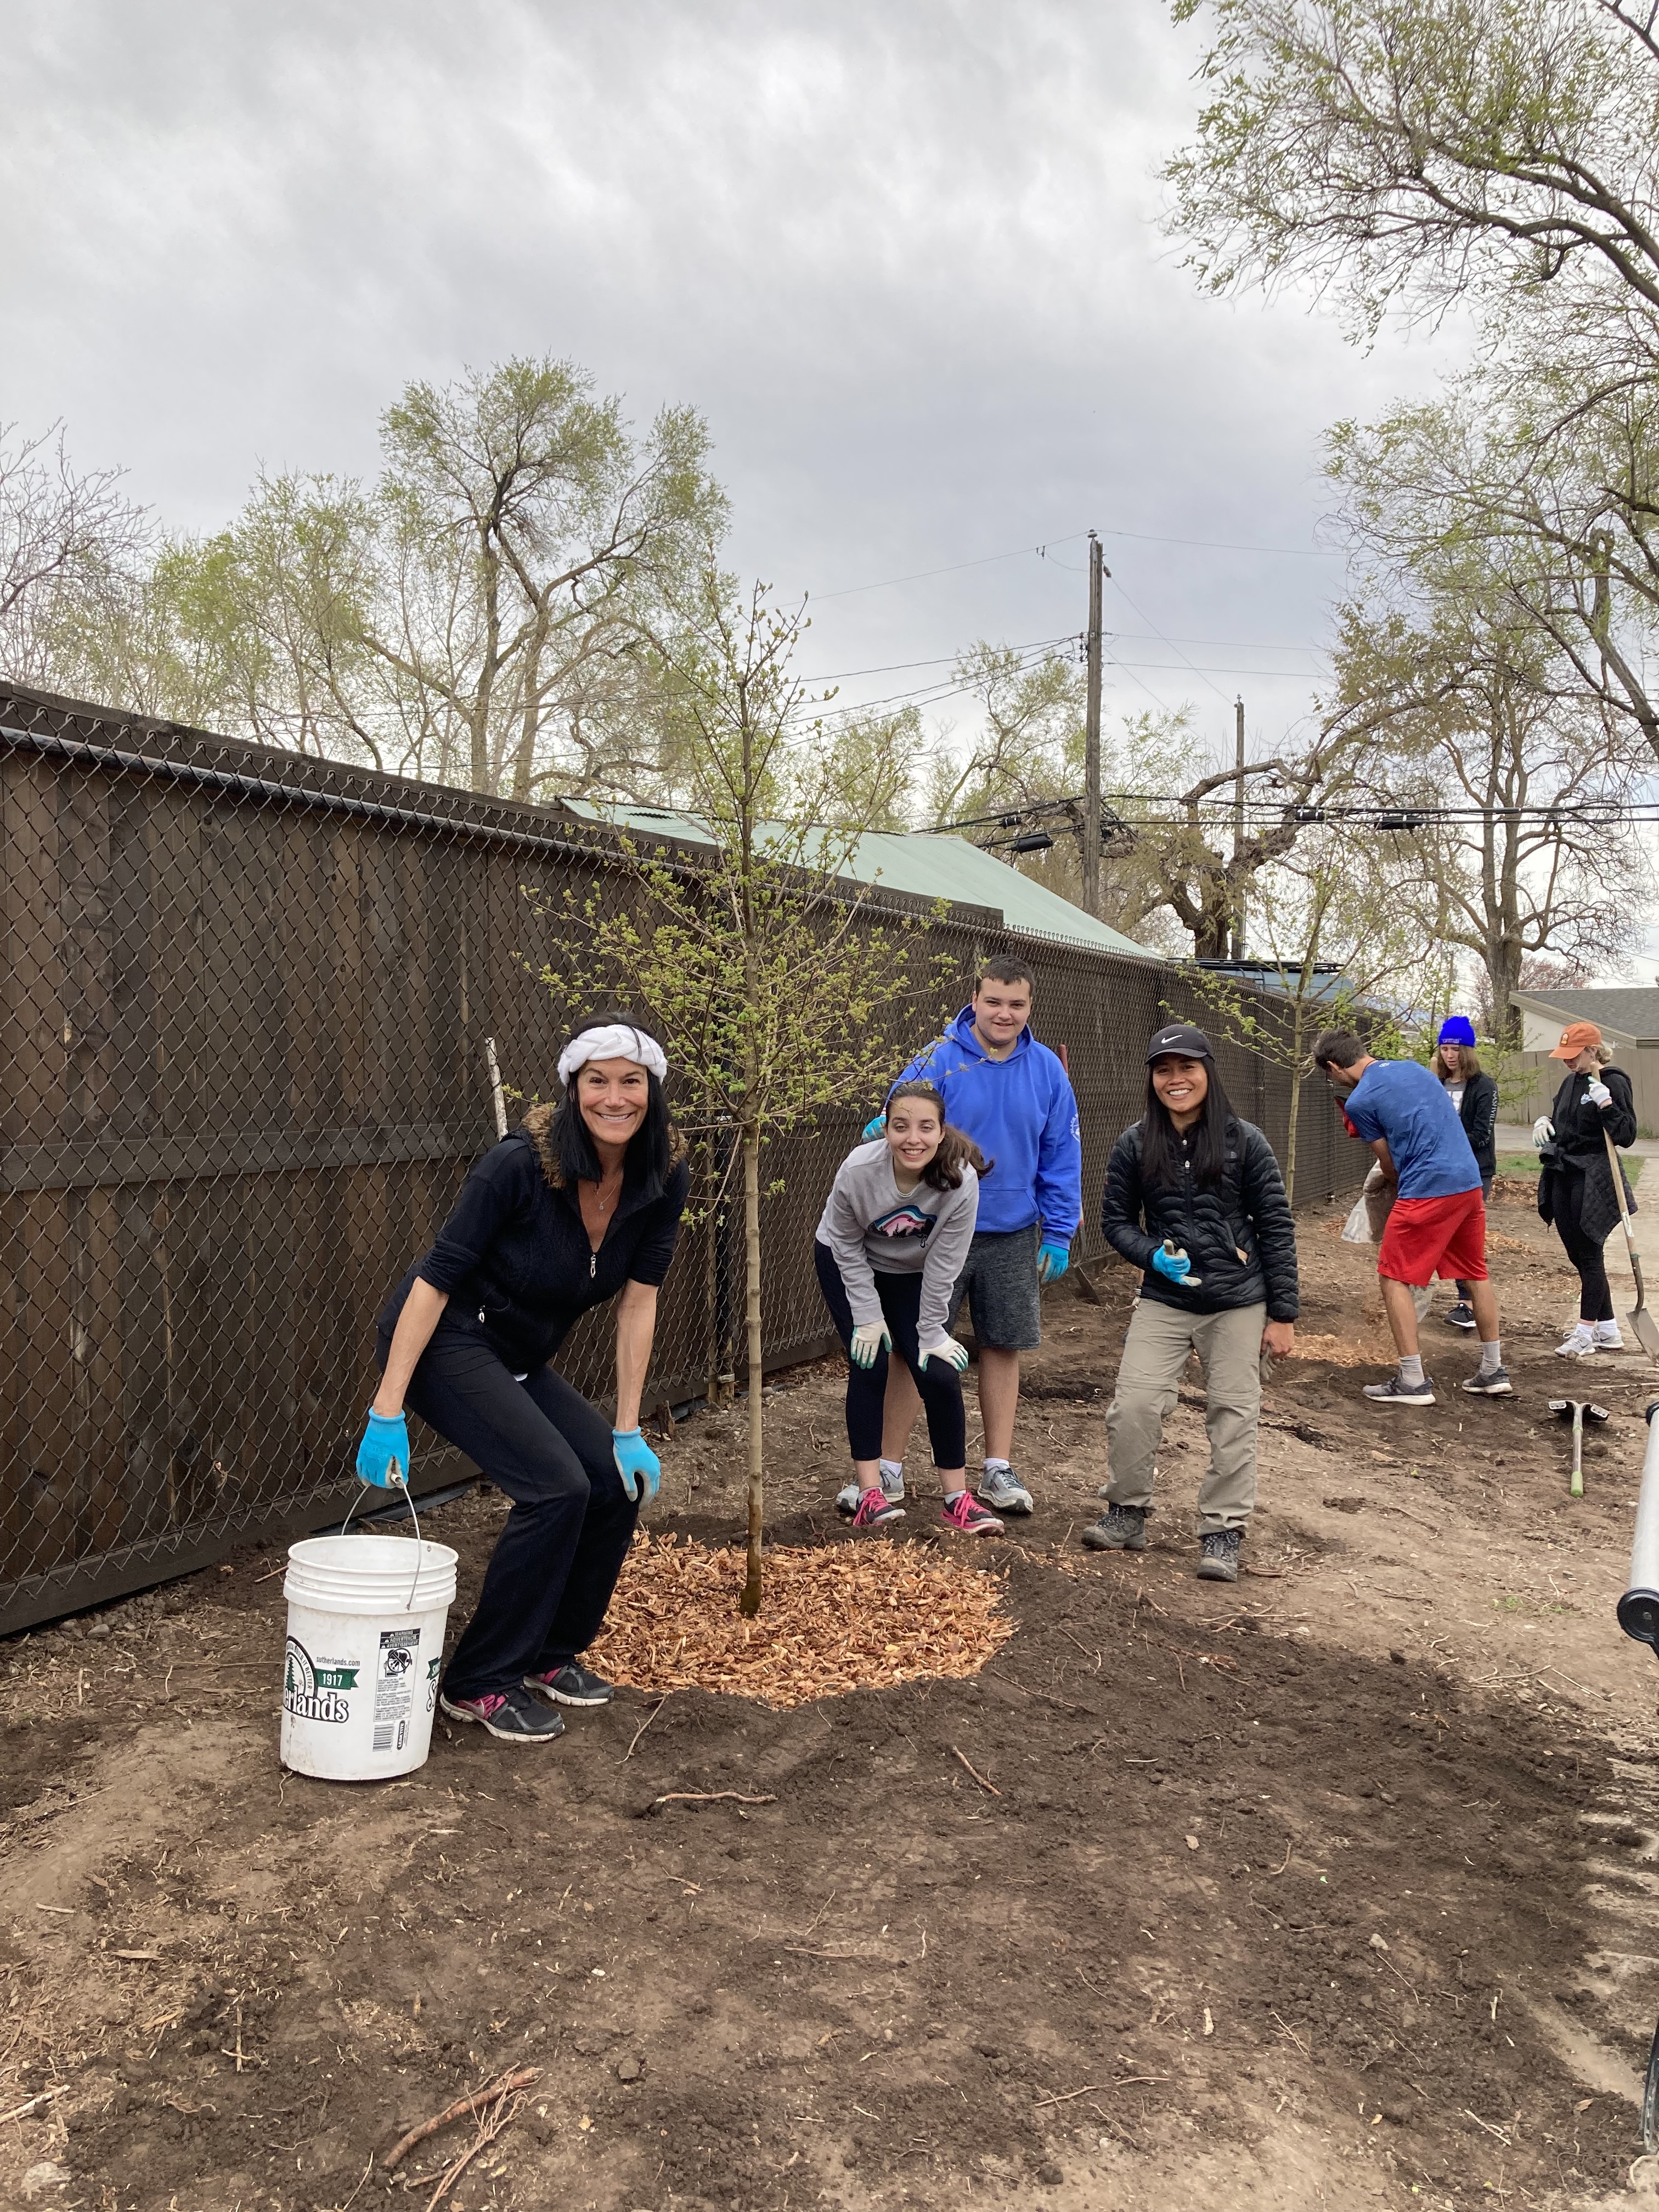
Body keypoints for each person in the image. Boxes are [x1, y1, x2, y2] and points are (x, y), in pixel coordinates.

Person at [357, 1016, 690, 1744]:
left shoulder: (663, 1177)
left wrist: (627, 1429)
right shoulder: (517, 1166)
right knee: (555, 1487)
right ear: (573, 1091)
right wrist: (389, 1407)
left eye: (630, 1081)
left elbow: (639, 1299)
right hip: (445, 1337)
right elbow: (435, 1279)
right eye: (596, 1081)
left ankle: (548, 1655)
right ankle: (478, 1682)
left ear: (652, 1092)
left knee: (609, 1480)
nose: (614, 1097)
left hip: (515, 1350)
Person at [849, 956, 1082, 1520]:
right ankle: (890, 1468)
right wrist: (884, 1127)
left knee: (1002, 1345)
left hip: (1011, 1232)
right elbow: (897, 1123)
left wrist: (1059, 1228)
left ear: (1030, 1007)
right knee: (913, 1349)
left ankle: (997, 1469)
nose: (1004, 1013)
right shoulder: (938, 1059)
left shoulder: (1048, 1070)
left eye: (1017, 1004)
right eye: (994, 1001)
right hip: (934, 1229)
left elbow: (1061, 1154)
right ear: (975, 999)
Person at [1083, 1023, 1298, 1583]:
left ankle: (1223, 1533)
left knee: (1233, 1415)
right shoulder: (1135, 1143)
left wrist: (1283, 1315)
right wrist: (1152, 1255)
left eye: (1187, 1068)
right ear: (1152, 1078)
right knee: (1135, 1405)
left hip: (1238, 1299)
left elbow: (1276, 1226)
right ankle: (1127, 1512)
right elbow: (1114, 1223)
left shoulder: (1244, 1140)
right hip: (1165, 1297)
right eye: (1164, 1069)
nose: (1176, 1079)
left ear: (1208, 1071)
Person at [814, 1082, 1003, 1536]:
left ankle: (958, 1498)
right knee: (870, 1361)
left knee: (937, 1371)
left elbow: (946, 1261)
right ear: (886, 1128)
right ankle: (870, 1494)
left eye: (925, 1127)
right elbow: (844, 1241)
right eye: (901, 1127)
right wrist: (867, 1315)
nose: (912, 1138)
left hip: (914, 1273)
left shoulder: (960, 1179)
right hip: (846, 1261)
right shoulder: (859, 1170)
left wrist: (933, 1330)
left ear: (941, 1132)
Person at [1311, 1028, 1509, 1405]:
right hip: (1468, 1183)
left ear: (1335, 1066)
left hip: (1427, 1189)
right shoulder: (1417, 1070)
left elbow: (1388, 1163)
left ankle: (1413, 1380)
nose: (1331, 1080)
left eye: (1328, 1074)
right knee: (1475, 1272)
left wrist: (1388, 1187)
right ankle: (1492, 1370)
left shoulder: (1360, 1100)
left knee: (1393, 1275)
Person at [1535, 1020, 1639, 1357]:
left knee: (1590, 1252)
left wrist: (1608, 1106)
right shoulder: (1570, 1082)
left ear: (1592, 1050)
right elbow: (1562, 1119)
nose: (1566, 1060)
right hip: (1564, 1171)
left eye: (1573, 1054)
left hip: (1594, 1175)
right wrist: (1546, 1123)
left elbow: (1626, 1136)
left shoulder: (1612, 1081)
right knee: (1577, 1254)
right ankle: (1608, 1329)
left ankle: (1585, 1333)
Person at [1430, 1016, 1498, 1334]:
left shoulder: (1484, 1086)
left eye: (1455, 1048)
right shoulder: (1436, 1083)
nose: (1450, 1054)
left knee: (1466, 1235)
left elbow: (1481, 1133)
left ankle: (1469, 1303)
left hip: (1474, 1169)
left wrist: (1446, 1143)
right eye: (1444, 1047)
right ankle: (1460, 1300)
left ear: (1467, 1050)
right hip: (1438, 1168)